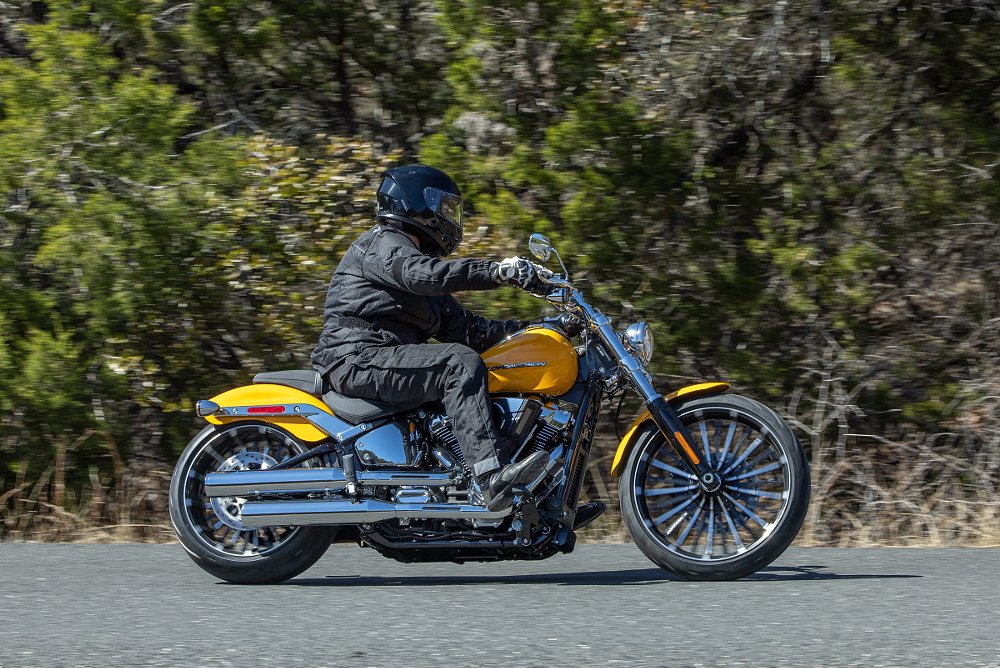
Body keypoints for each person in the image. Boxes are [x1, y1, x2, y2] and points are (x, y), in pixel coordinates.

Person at [311, 164, 548, 511]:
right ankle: (489, 478)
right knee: (457, 363)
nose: (449, 216)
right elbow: (423, 275)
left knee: (471, 358)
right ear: (415, 202)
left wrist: (542, 329)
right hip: (355, 356)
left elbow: (471, 331)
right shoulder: (383, 244)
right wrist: (496, 271)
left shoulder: (422, 276)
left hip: (382, 358)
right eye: (443, 206)